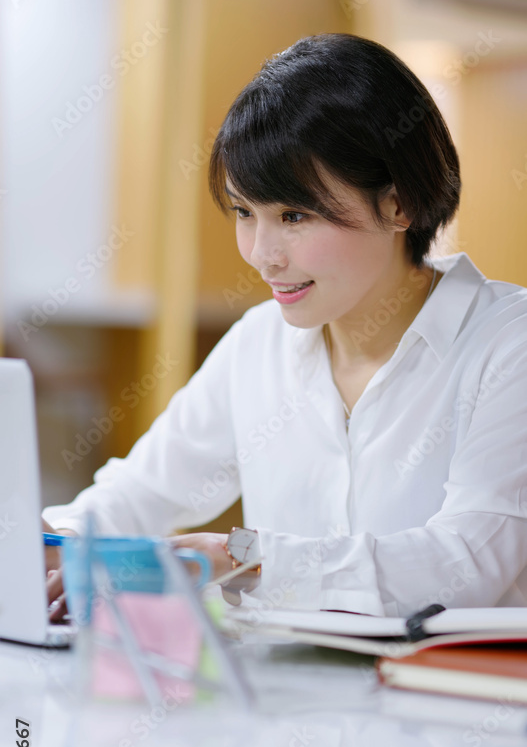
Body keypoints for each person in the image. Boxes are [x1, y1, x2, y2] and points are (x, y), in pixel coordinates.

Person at [44, 32, 527, 619]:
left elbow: (468, 563)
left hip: (456, 703)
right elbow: (141, 494)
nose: (262, 254)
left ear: (399, 204)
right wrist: (59, 544)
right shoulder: (259, 342)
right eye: (246, 213)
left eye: (295, 215)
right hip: (283, 701)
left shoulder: (508, 344)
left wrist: (246, 556)